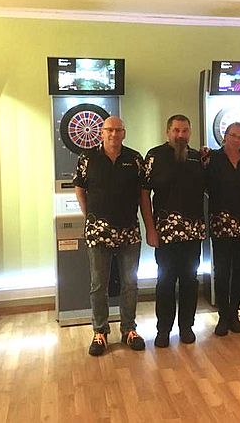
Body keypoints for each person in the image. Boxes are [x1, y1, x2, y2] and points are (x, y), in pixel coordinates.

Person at [72, 116, 153, 356]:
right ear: (101, 132)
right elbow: (80, 190)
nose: (114, 134)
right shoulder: (87, 158)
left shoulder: (135, 159)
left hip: (129, 231)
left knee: (130, 283)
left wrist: (148, 226)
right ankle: (100, 332)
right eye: (109, 130)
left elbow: (142, 194)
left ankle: (129, 329)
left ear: (124, 133)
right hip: (98, 232)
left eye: (118, 130)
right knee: (99, 284)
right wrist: (91, 217)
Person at [142, 115, 206, 348]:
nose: (180, 135)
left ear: (190, 132)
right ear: (167, 131)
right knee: (165, 282)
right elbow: (144, 194)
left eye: (185, 130)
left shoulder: (198, 158)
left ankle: (186, 327)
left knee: (190, 281)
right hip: (164, 233)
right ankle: (163, 330)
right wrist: (150, 228)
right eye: (176, 130)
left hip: (193, 232)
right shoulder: (154, 156)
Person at [205, 122, 240, 336]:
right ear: (225, 136)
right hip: (221, 222)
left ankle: (234, 313)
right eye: (233, 135)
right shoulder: (212, 159)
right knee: (222, 270)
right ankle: (223, 315)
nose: (236, 140)